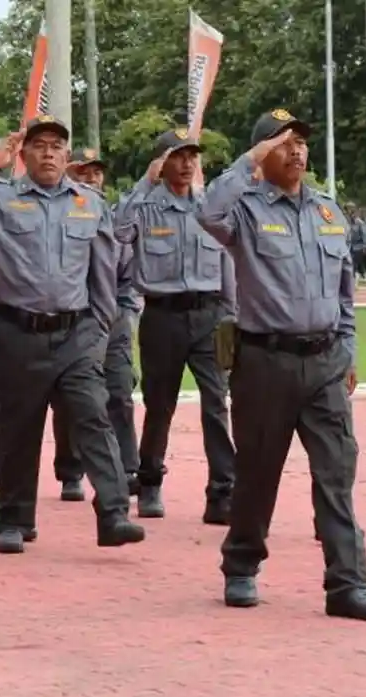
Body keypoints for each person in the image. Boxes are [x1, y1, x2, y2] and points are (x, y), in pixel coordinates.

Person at [196, 108, 366, 621]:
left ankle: (347, 584)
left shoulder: (328, 212)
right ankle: (241, 567)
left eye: (302, 142)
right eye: (285, 142)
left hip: (325, 361)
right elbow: (207, 212)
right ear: (263, 153)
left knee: (336, 473)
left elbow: (345, 292)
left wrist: (347, 347)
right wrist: (248, 163)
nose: (298, 150)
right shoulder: (243, 209)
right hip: (266, 362)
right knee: (258, 472)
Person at [0, 115, 146, 554]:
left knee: (92, 414)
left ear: (67, 157)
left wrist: (101, 326)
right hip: (17, 330)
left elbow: (103, 271)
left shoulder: (89, 203)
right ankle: (13, 518)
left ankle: (113, 513)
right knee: (18, 427)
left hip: (76, 332)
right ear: (24, 154)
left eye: (57, 146)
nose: (48, 153)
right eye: (39, 145)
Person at [114, 129, 236, 524]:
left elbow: (228, 262)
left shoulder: (209, 208)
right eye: (177, 156)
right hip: (162, 316)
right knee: (160, 404)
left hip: (210, 315)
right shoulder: (146, 207)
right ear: (161, 163)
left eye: (191, 157)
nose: (186, 164)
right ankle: (149, 481)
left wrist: (231, 315)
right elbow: (117, 230)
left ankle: (222, 490)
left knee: (216, 402)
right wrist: (144, 182)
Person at [53, 147, 140, 503]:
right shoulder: (57, 217)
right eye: (83, 171)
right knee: (72, 400)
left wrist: (127, 317)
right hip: (75, 320)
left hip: (114, 317)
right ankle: (71, 470)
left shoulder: (115, 215)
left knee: (119, 393)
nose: (91, 178)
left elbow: (128, 273)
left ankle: (126, 469)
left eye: (96, 172)